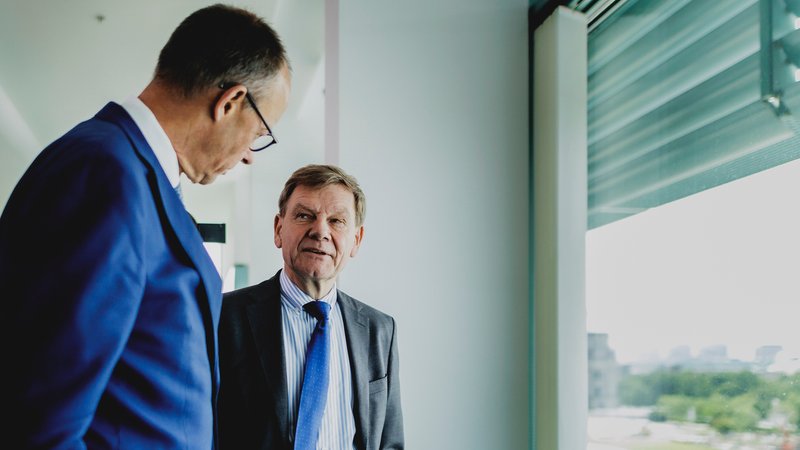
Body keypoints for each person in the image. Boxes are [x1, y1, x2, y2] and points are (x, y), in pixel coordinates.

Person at [0, 4, 291, 448]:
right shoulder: (103, 173)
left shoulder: (134, 174)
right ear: (230, 102)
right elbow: (41, 422)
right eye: (260, 132)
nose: (251, 153)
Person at [218, 164, 404, 450]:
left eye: (337, 221)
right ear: (279, 229)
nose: (320, 231)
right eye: (305, 216)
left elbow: (390, 442)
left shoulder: (379, 329)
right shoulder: (225, 317)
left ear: (356, 240)